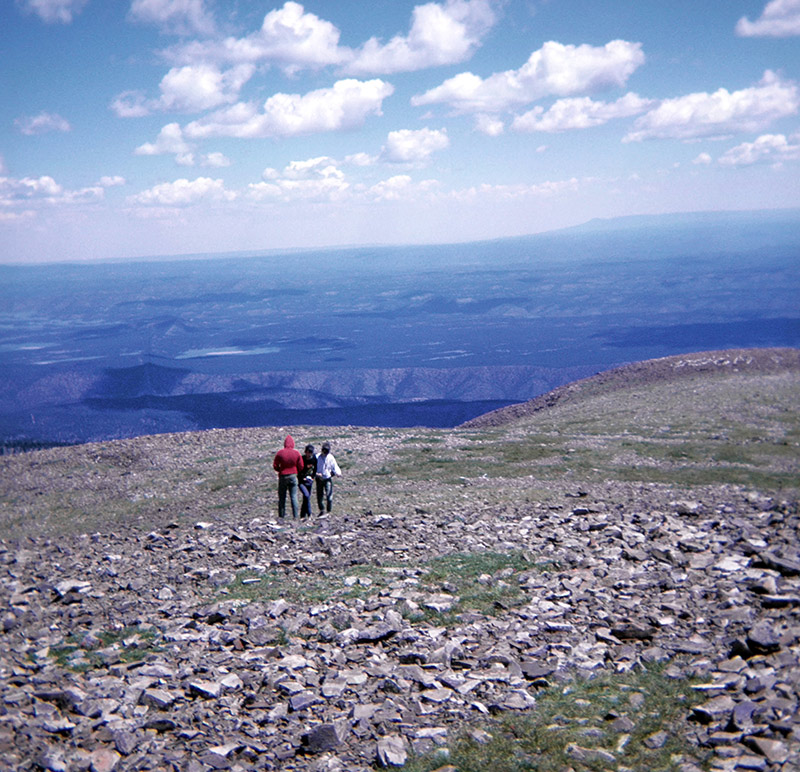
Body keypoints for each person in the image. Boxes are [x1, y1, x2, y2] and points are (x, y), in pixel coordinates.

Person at [272, 435, 304, 519]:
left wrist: (280, 470)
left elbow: (275, 465)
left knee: (282, 497)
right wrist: (296, 471)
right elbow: (301, 466)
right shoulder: (296, 453)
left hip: (283, 476)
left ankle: (281, 516)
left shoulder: (280, 453)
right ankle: (296, 516)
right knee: (293, 496)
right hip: (293, 476)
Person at [315, 441, 342, 515]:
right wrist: (316, 474)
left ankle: (329, 511)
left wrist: (338, 473)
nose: (325, 453)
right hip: (319, 479)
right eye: (324, 451)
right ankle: (322, 510)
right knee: (319, 496)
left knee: (329, 496)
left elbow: (335, 466)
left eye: (326, 451)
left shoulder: (330, 457)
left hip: (327, 478)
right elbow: (313, 468)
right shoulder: (317, 457)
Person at [299, 444, 317, 518]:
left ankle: (302, 515)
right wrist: (302, 477)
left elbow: (315, 469)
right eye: (308, 452)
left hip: (309, 481)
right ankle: (309, 514)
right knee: (306, 496)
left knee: (306, 498)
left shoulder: (314, 459)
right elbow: (298, 470)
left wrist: (313, 477)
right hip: (301, 481)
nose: (309, 454)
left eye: (310, 452)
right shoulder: (301, 459)